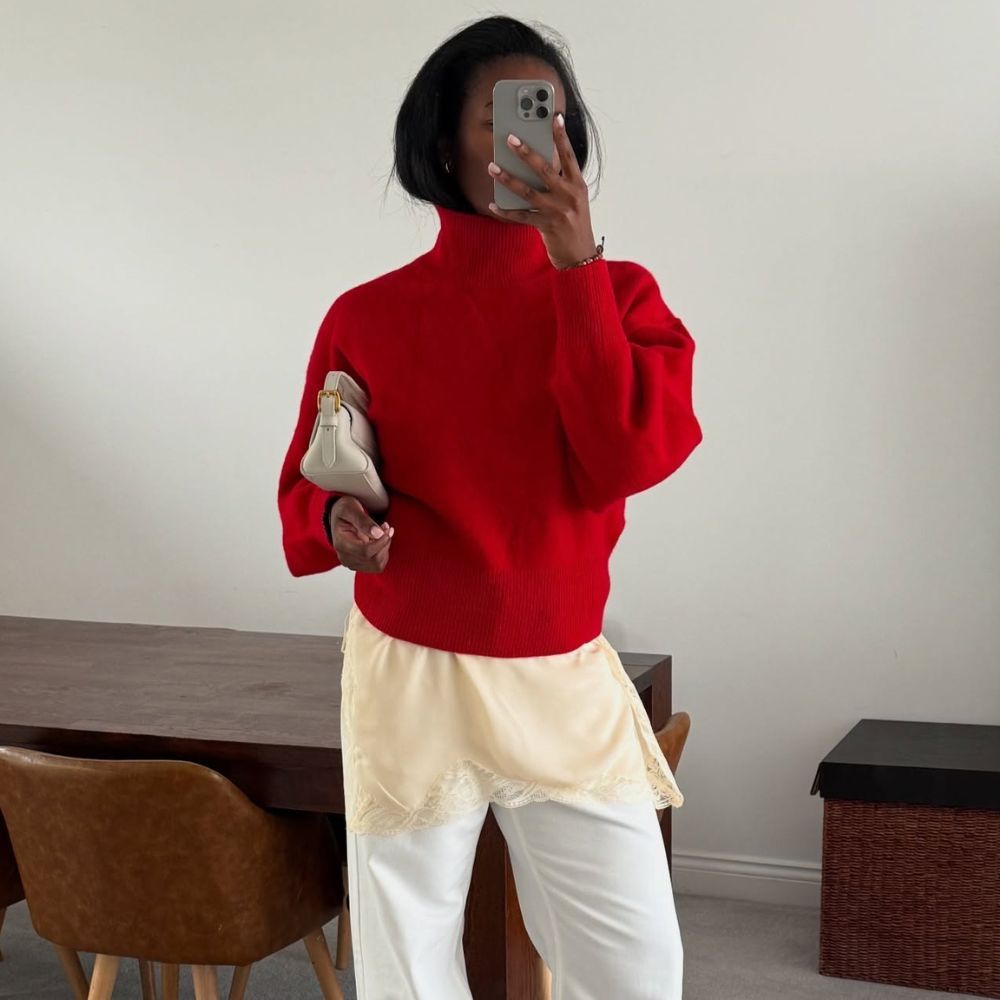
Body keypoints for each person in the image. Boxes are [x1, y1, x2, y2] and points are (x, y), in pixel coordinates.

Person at [277, 14, 703, 1000]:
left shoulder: (622, 296)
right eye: (503, 117)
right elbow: (310, 480)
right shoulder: (367, 315)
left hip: (561, 668)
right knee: (407, 963)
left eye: (551, 114)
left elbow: (621, 460)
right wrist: (339, 525)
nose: (536, 138)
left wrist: (576, 268)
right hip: (408, 668)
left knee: (636, 967)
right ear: (442, 145)